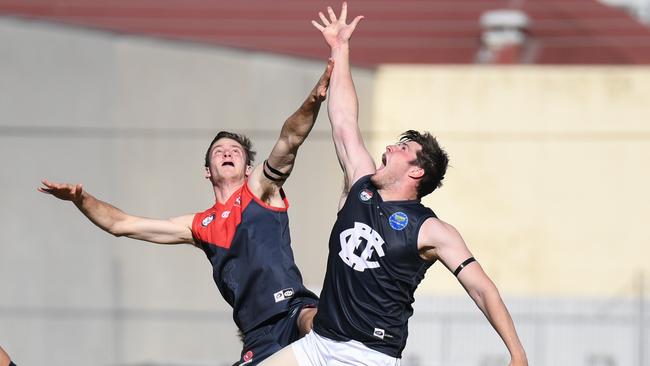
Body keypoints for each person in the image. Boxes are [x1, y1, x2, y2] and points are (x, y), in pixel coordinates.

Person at [260, 3, 528, 366]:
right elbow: (343, 120)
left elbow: (482, 289)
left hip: (370, 357)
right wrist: (340, 48)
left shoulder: (431, 229)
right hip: (318, 345)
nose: (388, 148)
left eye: (401, 148)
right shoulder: (361, 185)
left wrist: (517, 354)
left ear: (417, 172)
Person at [39, 60, 333, 365]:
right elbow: (121, 224)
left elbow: (290, 139)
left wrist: (314, 99)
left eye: (235, 150)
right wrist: (81, 199)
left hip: (292, 311)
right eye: (219, 151)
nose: (227, 152)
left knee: (318, 324)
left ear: (248, 168)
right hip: (257, 334)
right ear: (208, 171)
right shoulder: (199, 225)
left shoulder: (260, 190)